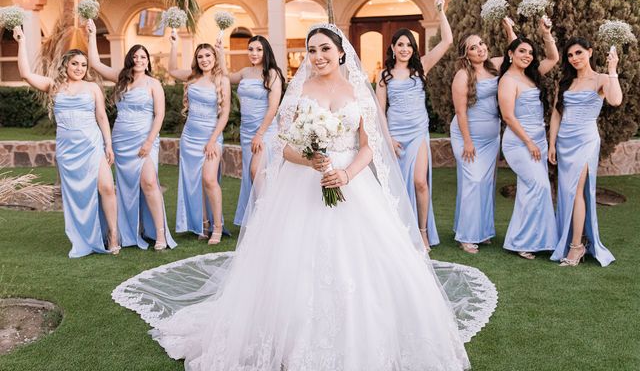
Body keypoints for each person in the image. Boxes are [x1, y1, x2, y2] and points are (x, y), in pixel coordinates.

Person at [112, 24, 504, 370]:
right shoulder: (300, 91)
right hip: (304, 184)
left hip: (351, 185)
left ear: (340, 52)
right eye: (312, 50)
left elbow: (368, 146)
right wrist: (313, 161)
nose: (317, 57)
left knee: (365, 266)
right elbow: (284, 147)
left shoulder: (357, 90)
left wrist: (347, 174)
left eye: (325, 50)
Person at [13, 26, 119, 257]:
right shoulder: (54, 86)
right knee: (77, 196)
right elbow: (25, 74)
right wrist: (21, 41)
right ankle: (83, 237)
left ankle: (113, 234)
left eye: (83, 65)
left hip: (92, 144)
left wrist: (108, 145)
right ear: (66, 65)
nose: (80, 68)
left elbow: (101, 116)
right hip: (68, 150)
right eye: (75, 64)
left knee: (107, 187)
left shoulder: (92, 87)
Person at [87, 20, 176, 251]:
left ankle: (160, 234)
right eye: (135, 57)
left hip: (145, 140)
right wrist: (92, 33)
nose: (139, 60)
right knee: (124, 187)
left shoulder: (154, 84)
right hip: (121, 140)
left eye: (143, 57)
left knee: (149, 182)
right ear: (130, 59)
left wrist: (148, 142)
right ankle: (128, 232)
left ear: (148, 62)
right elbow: (95, 63)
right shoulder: (121, 78)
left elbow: (159, 115)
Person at [375, 0, 452, 251]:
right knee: (396, 187)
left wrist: (440, 8)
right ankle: (399, 231)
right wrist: (388, 139)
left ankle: (422, 232)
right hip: (395, 134)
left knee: (420, 181)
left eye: (409, 45)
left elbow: (448, 41)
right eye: (400, 45)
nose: (405, 48)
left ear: (413, 48)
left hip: (418, 132)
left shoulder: (422, 68)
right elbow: (379, 111)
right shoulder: (383, 76)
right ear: (393, 48)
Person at [549, 38, 622, 266]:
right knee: (566, 192)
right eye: (570, 55)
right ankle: (571, 239)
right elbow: (556, 114)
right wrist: (551, 143)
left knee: (577, 191)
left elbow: (616, 100)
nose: (575, 58)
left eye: (579, 53)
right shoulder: (565, 82)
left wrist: (612, 71)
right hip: (564, 142)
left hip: (586, 140)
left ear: (589, 52)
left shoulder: (601, 79)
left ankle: (576, 246)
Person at [450, 18, 515, 254]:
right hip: (467, 136)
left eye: (482, 44)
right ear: (466, 54)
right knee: (473, 181)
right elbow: (460, 111)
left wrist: (509, 30)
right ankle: (466, 235)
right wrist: (467, 141)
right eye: (474, 47)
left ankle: (482, 231)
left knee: (485, 184)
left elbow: (515, 53)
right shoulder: (462, 76)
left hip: (491, 138)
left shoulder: (495, 66)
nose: (481, 49)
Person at [498, 17, 559, 260]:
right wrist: (529, 143)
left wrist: (546, 33)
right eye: (522, 51)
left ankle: (533, 240)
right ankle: (522, 240)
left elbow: (553, 58)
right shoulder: (507, 81)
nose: (528, 55)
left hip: (538, 142)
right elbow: (508, 117)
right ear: (510, 54)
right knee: (539, 186)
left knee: (530, 189)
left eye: (531, 53)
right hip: (519, 142)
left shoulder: (531, 76)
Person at [168, 32, 231, 244]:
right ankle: (202, 224)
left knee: (209, 180)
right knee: (194, 181)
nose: (204, 60)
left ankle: (218, 227)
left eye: (208, 56)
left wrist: (213, 140)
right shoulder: (192, 77)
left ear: (215, 58)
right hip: (190, 137)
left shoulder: (222, 80)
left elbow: (225, 113)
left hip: (211, 137)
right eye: (200, 56)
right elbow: (172, 70)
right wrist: (174, 45)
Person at [215, 35, 284, 226]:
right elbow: (226, 76)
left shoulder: (272, 74)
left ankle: (266, 218)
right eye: (251, 49)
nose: (254, 53)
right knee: (251, 175)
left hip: (265, 131)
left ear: (266, 51)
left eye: (258, 49)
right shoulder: (245, 72)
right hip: (246, 132)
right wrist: (221, 52)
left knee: (257, 171)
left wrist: (260, 134)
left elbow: (273, 108)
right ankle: (255, 219)